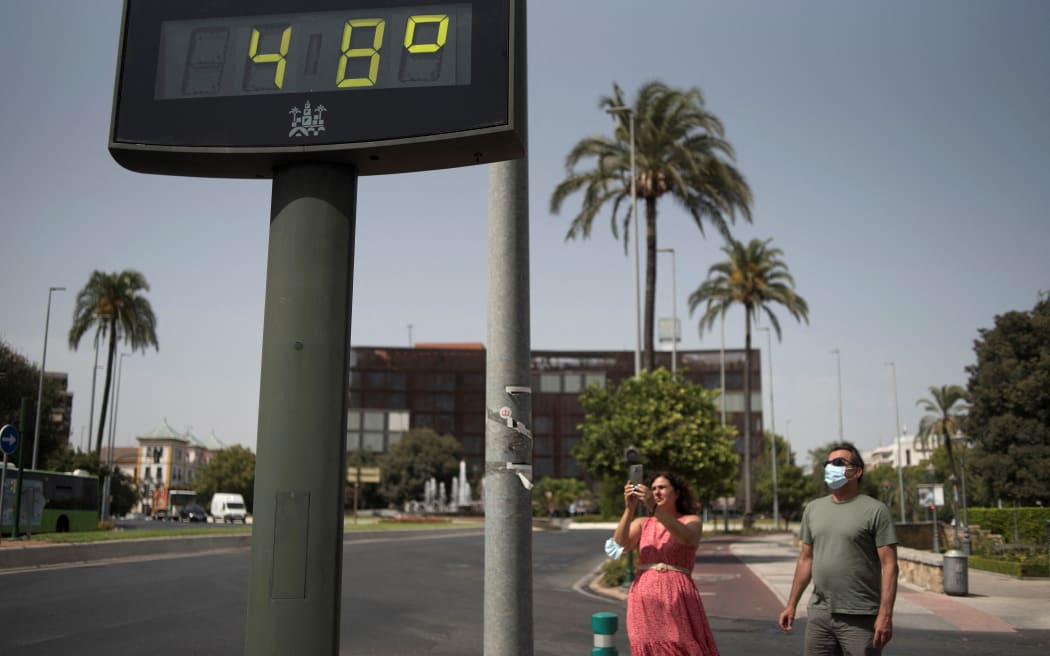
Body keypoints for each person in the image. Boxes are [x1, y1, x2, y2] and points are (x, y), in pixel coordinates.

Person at [777, 442, 899, 655]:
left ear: (857, 471)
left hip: (860, 616)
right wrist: (791, 604)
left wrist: (885, 614)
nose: (830, 467)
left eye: (838, 462)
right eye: (828, 463)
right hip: (819, 614)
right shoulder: (813, 509)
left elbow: (890, 565)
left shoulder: (876, 511)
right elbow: (806, 559)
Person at [612, 470, 720, 656]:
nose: (656, 492)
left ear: (676, 493)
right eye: (653, 488)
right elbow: (617, 547)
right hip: (643, 598)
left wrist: (654, 508)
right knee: (645, 645)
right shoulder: (643, 523)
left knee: (679, 644)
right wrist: (629, 510)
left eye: (662, 487)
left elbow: (687, 538)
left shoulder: (691, 520)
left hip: (677, 596)